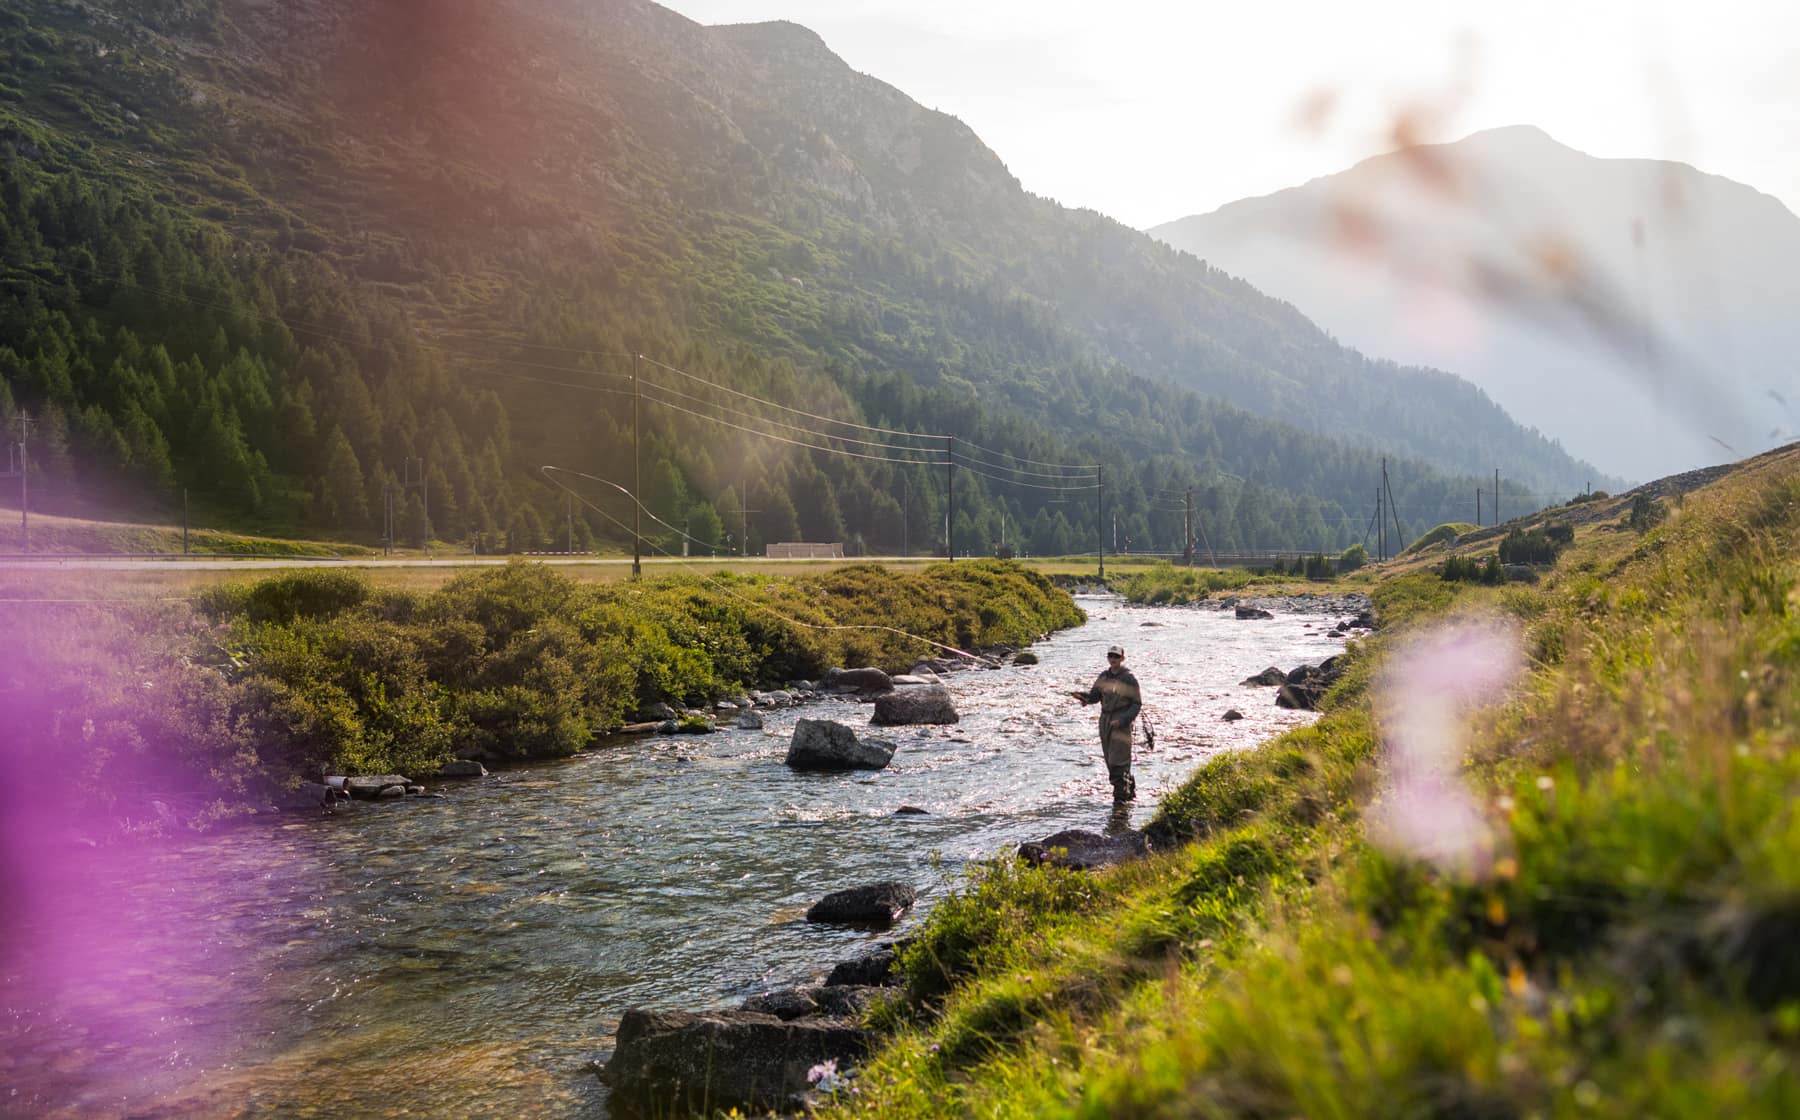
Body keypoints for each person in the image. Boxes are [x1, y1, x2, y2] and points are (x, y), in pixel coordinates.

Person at [1070, 644, 1140, 803]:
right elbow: (1095, 696)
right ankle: (1127, 788)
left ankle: (1120, 798)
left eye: (1116, 656)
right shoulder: (1103, 677)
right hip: (1105, 721)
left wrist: (1123, 720)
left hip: (1121, 722)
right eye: (1110, 656)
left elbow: (1137, 704)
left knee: (1118, 760)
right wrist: (1084, 697)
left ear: (1122, 658)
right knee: (1109, 759)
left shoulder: (1129, 678)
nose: (1113, 659)